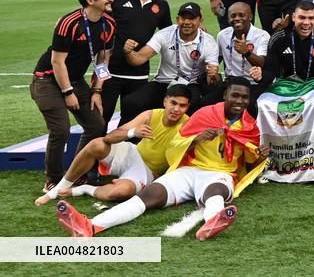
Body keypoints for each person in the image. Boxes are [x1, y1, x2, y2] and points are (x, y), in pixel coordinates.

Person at [56, 77, 269, 241]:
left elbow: (248, 166)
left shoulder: (250, 127)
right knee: (148, 195)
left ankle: (213, 221)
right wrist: (195, 140)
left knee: (214, 193)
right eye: (235, 96)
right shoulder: (204, 115)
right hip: (189, 170)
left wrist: (260, 158)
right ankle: (90, 225)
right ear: (225, 96)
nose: (239, 101)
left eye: (244, 97)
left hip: (221, 175)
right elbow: (176, 145)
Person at [35, 84, 191, 207]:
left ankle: (82, 189)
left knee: (120, 193)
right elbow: (109, 138)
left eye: (182, 106)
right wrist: (132, 133)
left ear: (188, 107)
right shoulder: (151, 115)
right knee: (97, 144)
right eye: (173, 103)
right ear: (165, 101)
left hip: (147, 172)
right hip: (132, 154)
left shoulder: (188, 125)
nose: (176, 109)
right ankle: (56, 190)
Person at [31, 0, 115, 192]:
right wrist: (68, 92)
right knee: (61, 130)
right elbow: (56, 62)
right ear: (90, 0)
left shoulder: (109, 24)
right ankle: (53, 179)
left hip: (76, 80)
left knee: (96, 125)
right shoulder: (69, 23)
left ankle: (75, 175)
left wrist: (97, 90)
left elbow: (103, 60)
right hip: (48, 78)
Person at [122, 2, 221, 117]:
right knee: (130, 102)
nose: (187, 22)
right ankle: (131, 134)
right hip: (164, 82)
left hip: (191, 84)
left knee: (193, 106)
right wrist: (128, 52)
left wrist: (213, 75)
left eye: (192, 18)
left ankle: (183, 135)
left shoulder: (209, 42)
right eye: (183, 18)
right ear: (177, 19)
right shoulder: (165, 34)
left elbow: (212, 80)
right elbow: (138, 59)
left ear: (200, 21)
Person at [105, 0, 172, 124]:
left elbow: (169, 33)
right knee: (101, 118)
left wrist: (197, 29)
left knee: (132, 120)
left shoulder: (161, 5)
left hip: (139, 72)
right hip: (111, 71)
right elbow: (97, 19)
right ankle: (97, 149)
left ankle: (125, 150)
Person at [213, 3, 269, 114]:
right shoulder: (222, 35)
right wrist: (212, 70)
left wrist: (246, 53)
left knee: (251, 108)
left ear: (250, 17)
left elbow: (262, 63)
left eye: (241, 15)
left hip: (253, 82)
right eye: (233, 16)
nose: (237, 18)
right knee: (207, 102)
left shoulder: (262, 36)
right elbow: (216, 58)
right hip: (231, 81)